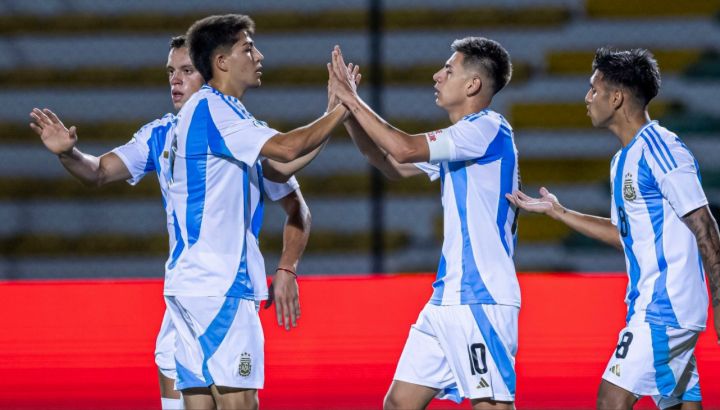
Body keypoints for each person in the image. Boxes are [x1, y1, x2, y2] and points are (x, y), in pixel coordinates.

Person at [29, 35, 313, 410]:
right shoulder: (160, 134)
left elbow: (298, 209)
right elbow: (98, 171)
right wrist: (69, 154)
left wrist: (287, 268)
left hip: (226, 288)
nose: (174, 81)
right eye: (170, 72)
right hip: (182, 294)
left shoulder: (246, 135)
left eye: (186, 71)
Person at [506, 47, 720, 410]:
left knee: (611, 399)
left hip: (664, 308)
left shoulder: (661, 147)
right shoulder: (623, 159)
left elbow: (705, 225)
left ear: (617, 97)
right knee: (682, 405)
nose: (587, 98)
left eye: (594, 89)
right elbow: (625, 235)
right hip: (653, 305)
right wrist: (558, 212)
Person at [161, 14, 347, 409]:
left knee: (199, 403)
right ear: (222, 61)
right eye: (248, 48)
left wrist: (332, 112)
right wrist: (344, 109)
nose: (258, 55)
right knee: (240, 403)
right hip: (220, 284)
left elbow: (281, 167)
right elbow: (285, 149)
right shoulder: (215, 110)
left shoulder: (222, 117)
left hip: (191, 285)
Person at [329, 37, 519, 409]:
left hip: (480, 296)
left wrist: (354, 98)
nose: (437, 76)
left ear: (472, 85)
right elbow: (392, 164)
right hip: (448, 298)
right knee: (399, 402)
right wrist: (347, 114)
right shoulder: (464, 138)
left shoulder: (488, 128)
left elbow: (401, 147)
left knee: (491, 404)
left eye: (448, 69)